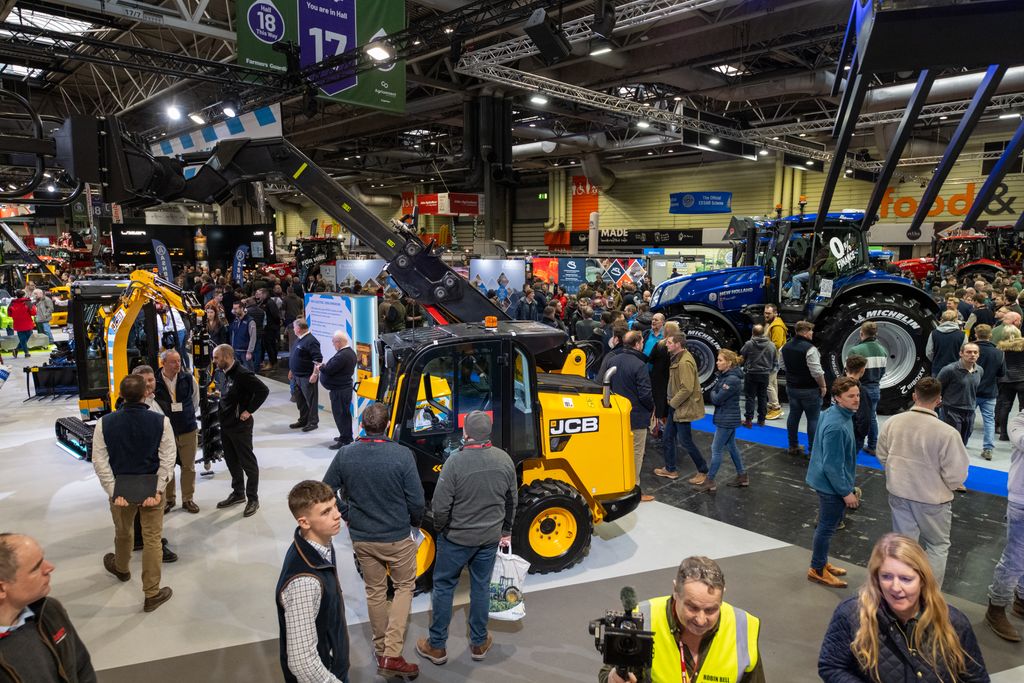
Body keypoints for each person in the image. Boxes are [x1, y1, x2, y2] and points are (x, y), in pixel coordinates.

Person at [322, 404, 424, 679]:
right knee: (404, 587)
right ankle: (392, 653)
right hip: (397, 537)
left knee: (375, 591)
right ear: (387, 425)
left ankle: (381, 651)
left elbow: (326, 489)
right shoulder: (402, 455)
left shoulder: (346, 454)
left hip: (363, 537)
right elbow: (416, 500)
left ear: (362, 425)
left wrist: (347, 513)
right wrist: (415, 523)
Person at [417, 411, 517, 666]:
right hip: (489, 538)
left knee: (444, 587)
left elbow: (440, 505)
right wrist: (506, 531)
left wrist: (441, 528)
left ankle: (437, 646)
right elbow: (511, 501)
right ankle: (479, 642)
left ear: (466, 432)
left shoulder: (455, 462)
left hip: (456, 539)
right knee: (481, 587)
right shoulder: (504, 460)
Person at [819, 533, 989, 682]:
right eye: (886, 576)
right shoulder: (851, 614)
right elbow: (831, 666)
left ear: (922, 580)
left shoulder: (954, 622)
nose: (895, 587)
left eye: (906, 579)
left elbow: (976, 678)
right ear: (876, 578)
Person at [599, 556, 764, 683]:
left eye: (711, 610)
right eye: (692, 607)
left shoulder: (743, 626)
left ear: (722, 597)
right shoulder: (642, 618)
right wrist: (613, 679)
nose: (701, 620)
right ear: (675, 591)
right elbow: (608, 674)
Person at [91, 374, 176, 612]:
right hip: (151, 490)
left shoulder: (104, 423)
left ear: (120, 395)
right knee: (152, 540)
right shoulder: (161, 422)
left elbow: (99, 461)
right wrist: (158, 489)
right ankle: (152, 593)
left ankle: (121, 568)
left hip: (121, 490)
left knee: (123, 533)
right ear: (145, 394)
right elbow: (167, 459)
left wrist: (113, 491)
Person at [876, 377, 969, 588]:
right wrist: (944, 486)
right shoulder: (947, 433)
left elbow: (882, 455)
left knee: (903, 546)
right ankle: (929, 596)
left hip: (899, 494)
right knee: (937, 546)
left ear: (914, 395)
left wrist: (897, 475)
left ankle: (900, 591)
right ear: (939, 400)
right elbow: (957, 474)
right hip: (933, 501)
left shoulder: (892, 423)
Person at [276, 481, 350, 683]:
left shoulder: (317, 546)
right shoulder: (305, 582)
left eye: (335, 506)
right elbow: (302, 662)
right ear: (304, 522)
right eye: (326, 512)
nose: (337, 515)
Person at [0, 533, 97, 682]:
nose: (50, 567)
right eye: (36, 567)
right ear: (2, 589)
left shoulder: (49, 611)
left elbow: (81, 666)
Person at [806, 376, 861, 589]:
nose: (856, 399)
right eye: (850, 396)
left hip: (826, 481)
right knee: (826, 528)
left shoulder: (833, 413)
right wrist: (846, 492)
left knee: (826, 527)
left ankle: (821, 562)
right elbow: (832, 466)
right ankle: (817, 569)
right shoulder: (837, 425)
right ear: (838, 397)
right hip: (831, 487)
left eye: (857, 395)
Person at [212, 344, 270, 518]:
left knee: (248, 463)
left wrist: (249, 410)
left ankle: (253, 498)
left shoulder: (243, 374)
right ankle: (238, 493)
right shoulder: (223, 372)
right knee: (231, 460)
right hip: (226, 424)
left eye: (216, 358)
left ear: (227, 357)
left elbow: (263, 391)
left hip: (240, 426)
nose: (214, 361)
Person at [603, 330, 655, 501]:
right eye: (642, 342)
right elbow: (645, 394)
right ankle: (633, 491)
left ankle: (616, 485)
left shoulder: (612, 360)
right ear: (638, 344)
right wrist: (652, 408)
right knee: (636, 454)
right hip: (637, 417)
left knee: (618, 453)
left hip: (616, 416)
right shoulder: (639, 365)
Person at [987, 408, 1024, 641]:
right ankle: (996, 607)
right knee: (1014, 559)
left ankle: (1021, 600)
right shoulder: (1019, 421)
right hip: (1021, 501)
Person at [150, 349, 201, 514]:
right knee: (167, 466)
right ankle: (169, 500)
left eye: (179, 361)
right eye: (173, 362)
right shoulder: (155, 381)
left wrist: (186, 414)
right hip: (165, 432)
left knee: (188, 466)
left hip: (187, 428)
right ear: (163, 363)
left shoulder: (188, 378)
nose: (177, 364)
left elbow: (195, 400)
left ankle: (188, 499)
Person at [655, 333, 709, 485]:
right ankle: (670, 469)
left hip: (681, 407)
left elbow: (687, 388)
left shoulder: (684, 362)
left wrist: (672, 403)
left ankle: (703, 470)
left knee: (685, 442)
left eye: (669, 342)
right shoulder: (678, 358)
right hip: (677, 407)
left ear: (678, 344)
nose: (666, 344)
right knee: (668, 437)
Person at [697, 350, 747, 492]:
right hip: (727, 417)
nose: (717, 362)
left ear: (729, 363)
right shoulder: (726, 377)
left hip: (727, 419)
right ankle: (742, 476)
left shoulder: (731, 380)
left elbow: (716, 399)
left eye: (720, 360)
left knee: (716, 449)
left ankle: (710, 480)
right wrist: (716, 391)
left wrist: (713, 392)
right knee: (731, 446)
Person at [781, 321, 827, 457]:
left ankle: (793, 446)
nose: (812, 333)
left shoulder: (785, 347)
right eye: (811, 331)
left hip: (792, 388)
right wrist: (823, 386)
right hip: (809, 389)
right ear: (806, 332)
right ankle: (813, 451)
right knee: (813, 419)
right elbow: (817, 372)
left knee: (793, 416)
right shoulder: (810, 349)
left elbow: (782, 365)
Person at [847, 321, 887, 455]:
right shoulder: (883, 350)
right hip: (875, 388)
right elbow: (882, 372)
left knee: (854, 418)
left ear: (861, 333)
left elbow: (848, 371)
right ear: (876, 333)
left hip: (859, 388)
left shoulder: (855, 350)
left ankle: (853, 444)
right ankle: (872, 446)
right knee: (871, 417)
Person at [317, 331, 357, 450]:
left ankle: (344, 440)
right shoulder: (350, 352)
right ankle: (346, 436)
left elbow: (329, 370)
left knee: (340, 415)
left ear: (339, 342)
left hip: (340, 391)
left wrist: (321, 367)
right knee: (344, 414)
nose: (333, 344)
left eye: (334, 342)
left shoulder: (342, 356)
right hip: (343, 389)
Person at [937, 343, 983, 446]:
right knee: (951, 443)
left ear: (978, 354)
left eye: (975, 352)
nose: (972, 355)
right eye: (969, 352)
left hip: (970, 411)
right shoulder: (949, 370)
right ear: (961, 353)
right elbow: (937, 387)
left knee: (963, 444)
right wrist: (938, 399)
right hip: (951, 411)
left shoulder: (979, 370)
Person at [974, 324, 1006, 460]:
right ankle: (988, 448)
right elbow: (1002, 373)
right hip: (990, 391)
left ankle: (961, 443)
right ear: (990, 335)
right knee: (989, 421)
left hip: (972, 390)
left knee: (967, 418)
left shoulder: (970, 350)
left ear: (976, 334)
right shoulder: (999, 352)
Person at [289, 320, 322, 432]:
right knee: (300, 401)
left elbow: (318, 360)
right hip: (296, 376)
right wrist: (291, 370)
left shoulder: (311, 341)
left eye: (294, 327)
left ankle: (313, 422)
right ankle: (303, 420)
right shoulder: (299, 339)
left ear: (299, 328)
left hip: (306, 377)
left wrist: (314, 374)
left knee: (311, 401)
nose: (293, 329)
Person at [739, 324, 774, 428]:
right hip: (765, 375)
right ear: (763, 333)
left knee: (750, 397)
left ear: (753, 333)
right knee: (762, 397)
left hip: (751, 374)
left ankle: (748, 420)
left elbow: (742, 353)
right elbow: (774, 359)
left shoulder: (749, 344)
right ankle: (761, 420)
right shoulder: (771, 345)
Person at [997, 326, 1024, 442]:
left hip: (1006, 380)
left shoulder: (1000, 347)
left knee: (1005, 407)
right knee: (1023, 408)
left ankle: (1003, 434)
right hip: (1022, 379)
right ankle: (1021, 433)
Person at [763, 304, 787, 420]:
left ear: (775, 313)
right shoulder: (771, 323)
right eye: (765, 313)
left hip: (772, 359)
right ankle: (773, 405)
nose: (766, 315)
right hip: (771, 358)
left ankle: (776, 408)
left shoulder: (777, 326)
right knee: (773, 383)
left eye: (768, 313)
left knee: (768, 384)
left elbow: (776, 344)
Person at [844, 355, 871, 451]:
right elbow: (864, 417)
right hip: (853, 435)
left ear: (846, 368)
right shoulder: (860, 391)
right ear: (862, 370)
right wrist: (861, 435)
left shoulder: (837, 385)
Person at [927, 310, 966, 376]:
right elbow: (965, 353)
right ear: (955, 320)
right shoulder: (962, 335)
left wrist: (936, 361)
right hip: (956, 370)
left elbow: (929, 352)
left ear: (942, 319)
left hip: (937, 368)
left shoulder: (933, 333)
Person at [228, 300, 257, 371]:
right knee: (238, 373)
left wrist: (249, 352)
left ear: (242, 308)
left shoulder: (250, 321)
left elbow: (253, 338)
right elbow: (232, 335)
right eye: (233, 308)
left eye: (236, 309)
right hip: (235, 351)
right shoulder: (235, 320)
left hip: (245, 351)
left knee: (249, 373)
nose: (234, 311)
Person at [8, 290, 35, 358]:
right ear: (24, 295)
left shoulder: (12, 303)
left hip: (18, 323)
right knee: (27, 337)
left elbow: (9, 313)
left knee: (22, 338)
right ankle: (26, 353)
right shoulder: (28, 302)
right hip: (27, 322)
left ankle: (17, 350)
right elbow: (33, 312)